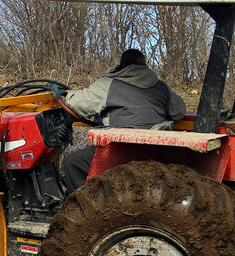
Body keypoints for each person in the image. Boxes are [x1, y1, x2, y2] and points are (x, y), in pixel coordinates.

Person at [59, 48, 187, 191]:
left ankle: (81, 208)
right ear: (145, 65)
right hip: (153, 150)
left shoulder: (109, 84)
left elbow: (77, 104)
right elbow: (179, 111)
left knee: (73, 162)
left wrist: (70, 95)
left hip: (121, 149)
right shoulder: (161, 87)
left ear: (121, 65)